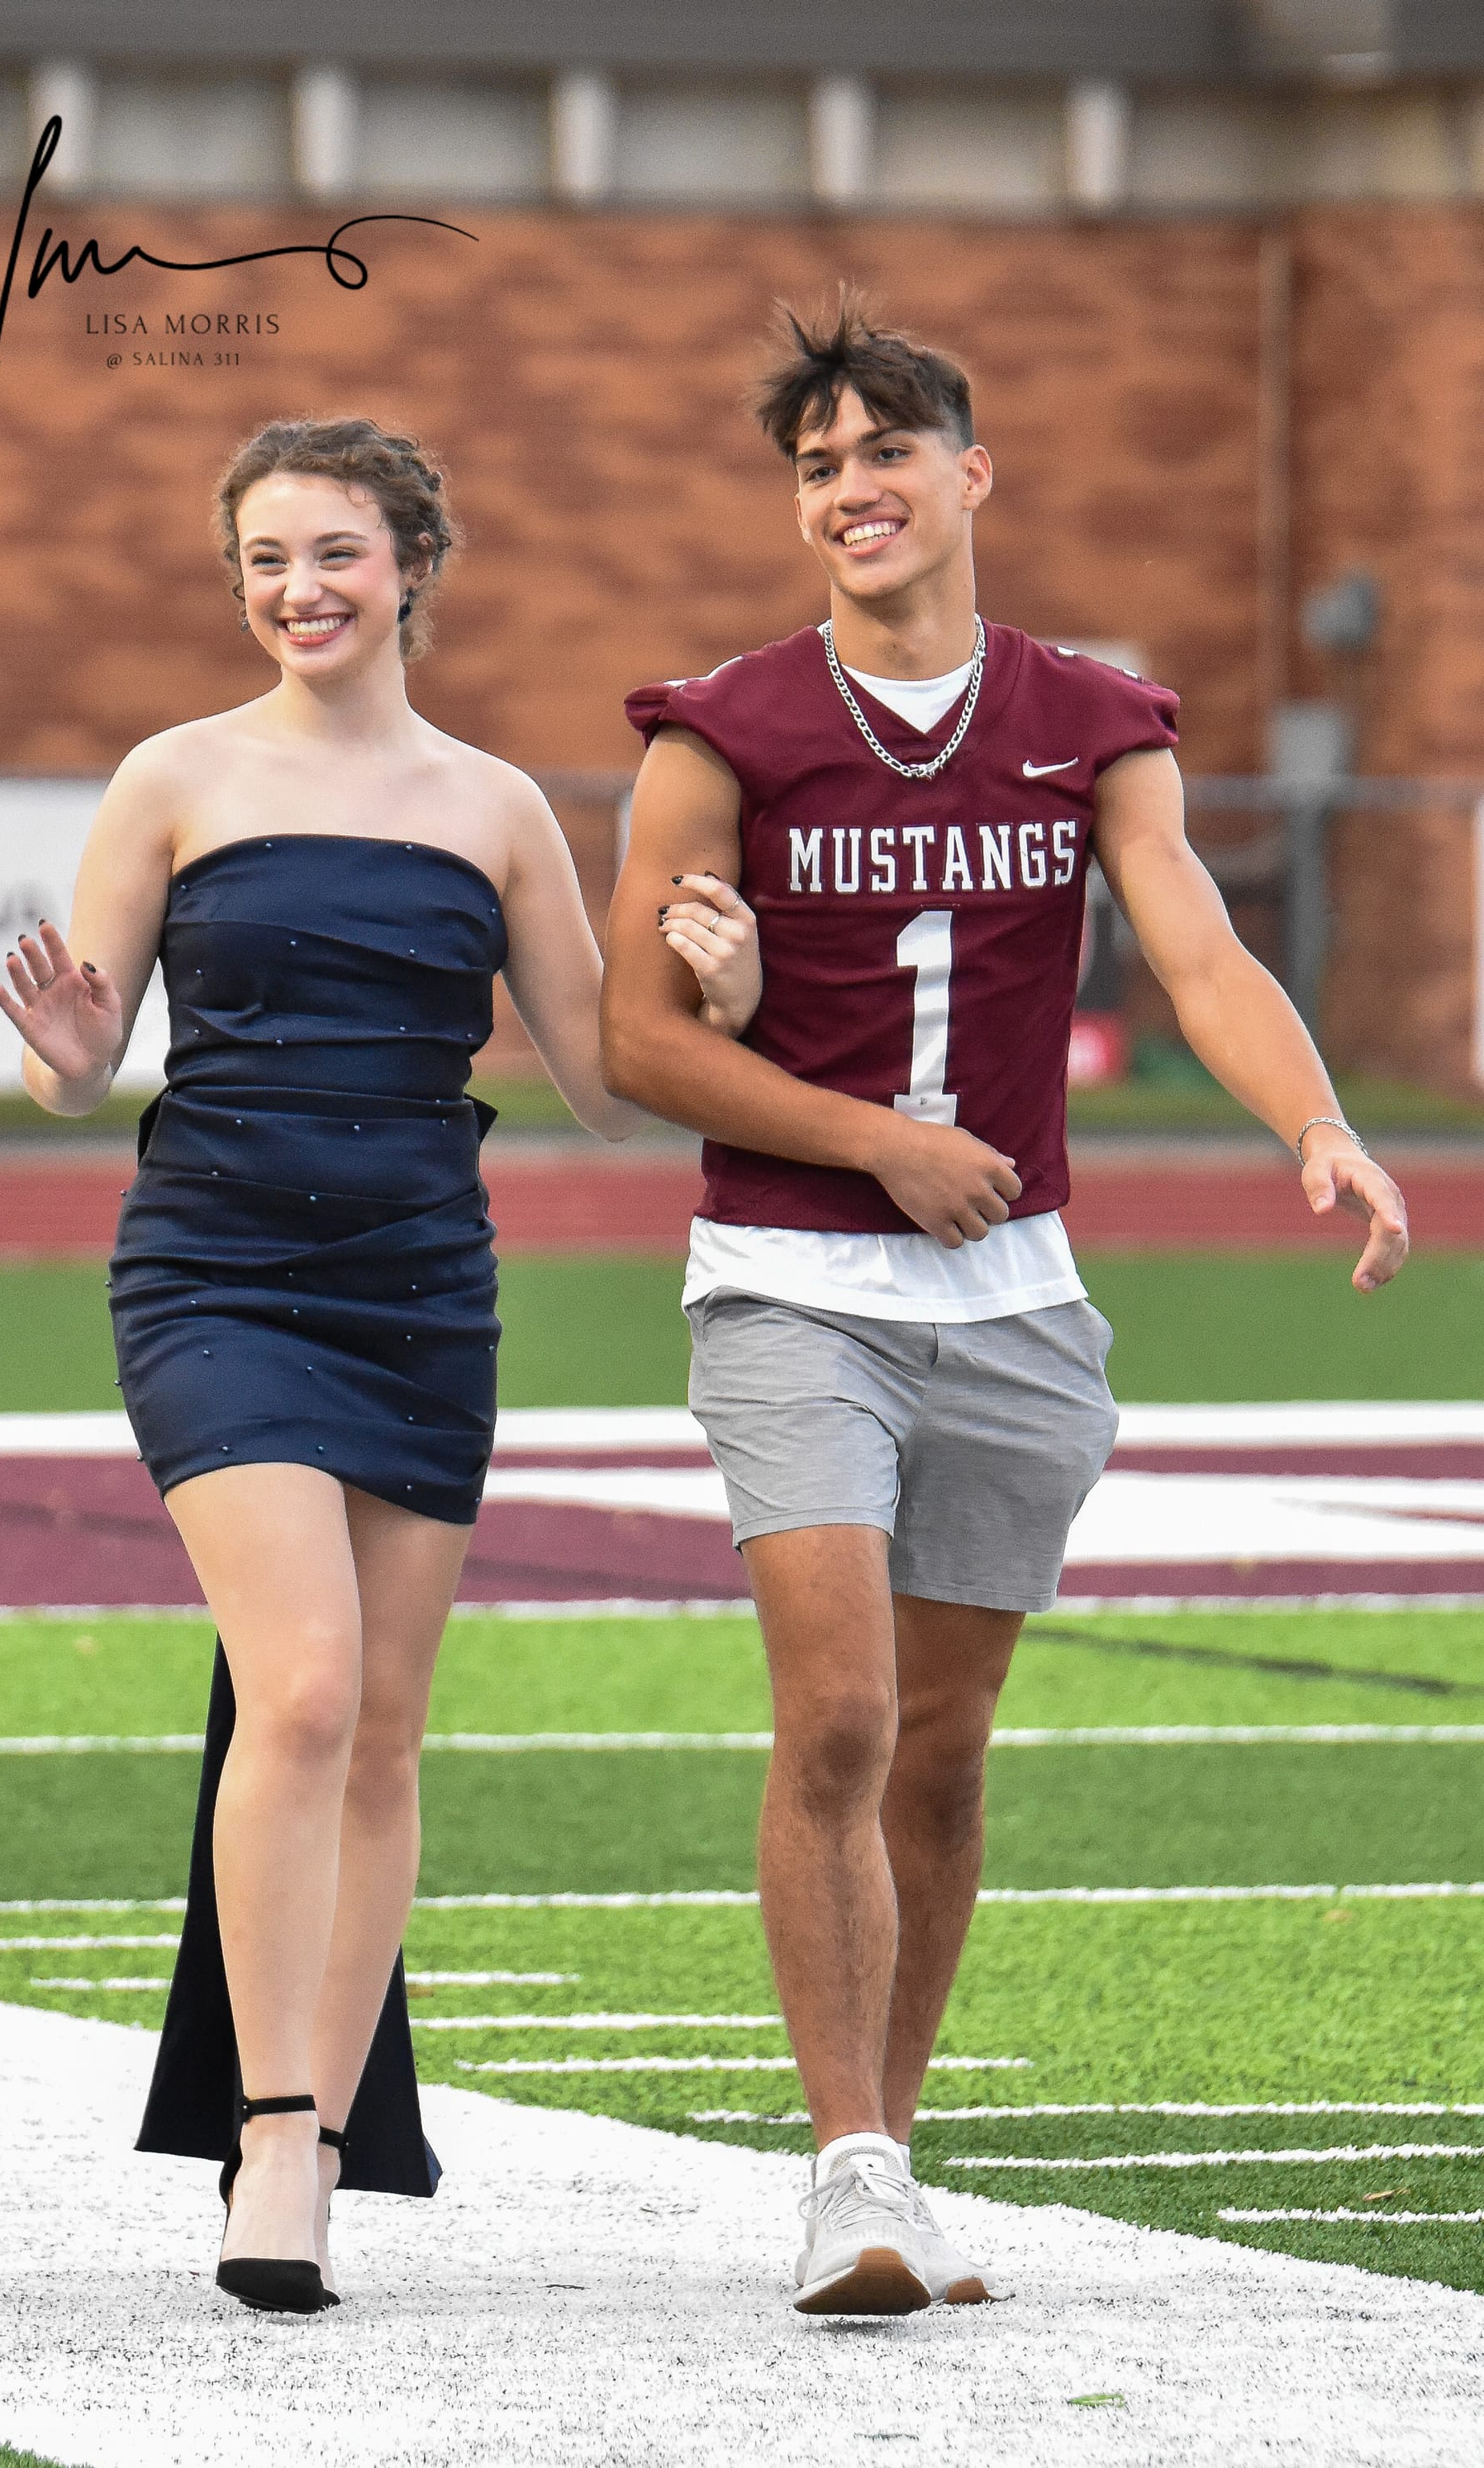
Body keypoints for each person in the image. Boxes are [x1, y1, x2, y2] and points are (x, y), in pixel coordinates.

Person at [602, 298, 1410, 2318]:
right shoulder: (720, 730)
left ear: (970, 473)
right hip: (793, 1283)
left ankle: (895, 2160)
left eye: (886, 451)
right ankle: (846, 2169)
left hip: (1017, 1295)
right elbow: (636, 1041)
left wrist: (1315, 1122)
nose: (850, 489)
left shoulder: (1091, 717)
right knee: (841, 1715)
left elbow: (1199, 950)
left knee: (945, 1752)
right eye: (817, 466)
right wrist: (875, 1142)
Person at [0, 416, 761, 2316]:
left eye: (332, 551)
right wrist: (71, 1052)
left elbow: (608, 1083)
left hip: (419, 1289)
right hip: (215, 1275)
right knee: (309, 1688)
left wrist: (721, 997)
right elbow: (76, 1061)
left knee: (386, 1727)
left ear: (413, 563)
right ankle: (268, 2137)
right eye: (265, 558)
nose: (298, 589)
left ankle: (326, 2137)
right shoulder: (172, 777)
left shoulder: (496, 807)